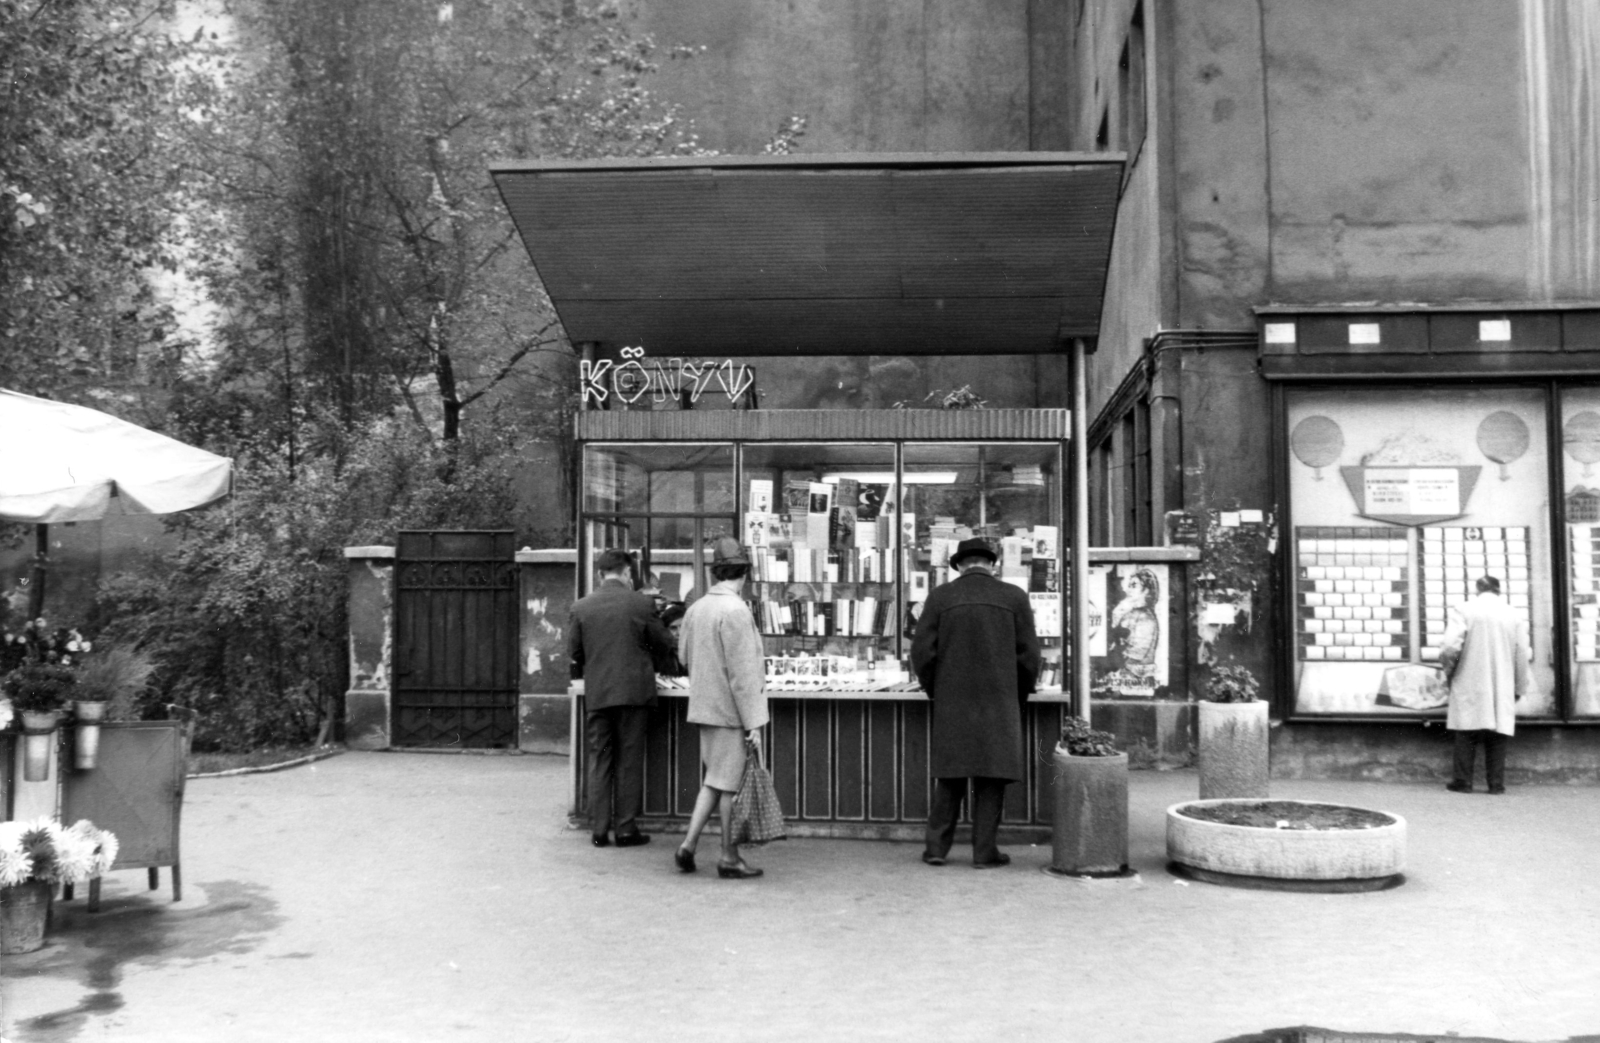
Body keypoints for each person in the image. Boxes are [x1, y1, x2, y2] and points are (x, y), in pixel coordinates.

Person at [910, 536, 1041, 868]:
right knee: (991, 777)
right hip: (999, 700)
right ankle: (985, 853)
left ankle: (936, 849)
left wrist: (934, 689)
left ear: (959, 566)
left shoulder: (940, 597)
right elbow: (1029, 657)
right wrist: (1018, 694)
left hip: (953, 701)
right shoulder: (1014, 597)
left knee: (950, 777)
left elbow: (922, 653)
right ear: (991, 564)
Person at [567, 548, 677, 847]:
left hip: (599, 691)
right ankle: (626, 829)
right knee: (629, 760)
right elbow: (663, 642)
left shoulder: (581, 606)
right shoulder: (641, 604)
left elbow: (574, 653)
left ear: (600, 574)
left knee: (600, 758)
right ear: (627, 574)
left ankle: (599, 830)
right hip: (633, 692)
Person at [674, 537, 770, 879]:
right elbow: (743, 677)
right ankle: (729, 856)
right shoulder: (736, 611)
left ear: (717, 572)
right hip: (730, 713)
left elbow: (683, 658)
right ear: (743, 574)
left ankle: (688, 845)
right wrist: (754, 723)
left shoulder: (697, 608)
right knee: (729, 785)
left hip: (704, 707)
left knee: (714, 781)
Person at [1439, 575, 1530, 794]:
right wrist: (1519, 686)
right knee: (1498, 732)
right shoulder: (1514, 614)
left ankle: (1463, 781)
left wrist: (1449, 672)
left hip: (1469, 678)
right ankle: (1496, 784)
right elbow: (1521, 654)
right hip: (1502, 682)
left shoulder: (1464, 609)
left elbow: (1450, 647)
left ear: (1477, 590)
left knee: (1466, 730)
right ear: (1499, 591)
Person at [1109, 567, 1160, 682]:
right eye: (1129, 586)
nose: (1128, 590)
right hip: (1127, 674)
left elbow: (1137, 653)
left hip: (1137, 677)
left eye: (1134, 586)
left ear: (1146, 590)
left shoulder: (1146, 617)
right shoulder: (1131, 613)